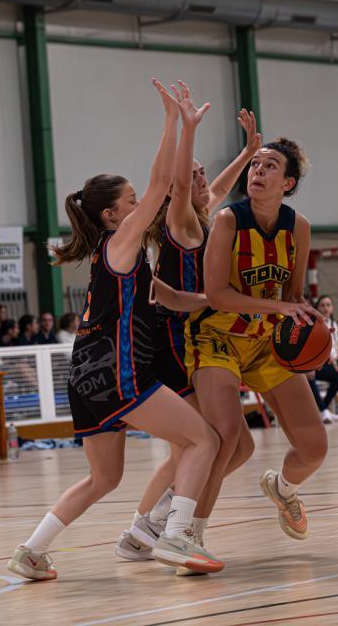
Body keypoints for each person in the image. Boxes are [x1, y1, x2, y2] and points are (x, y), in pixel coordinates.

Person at [9, 79, 224, 581]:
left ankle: (31, 552)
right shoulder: (121, 240)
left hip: (84, 378)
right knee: (205, 440)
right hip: (116, 373)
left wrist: (219, 301)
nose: (139, 204)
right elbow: (161, 183)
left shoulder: (120, 261)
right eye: (130, 201)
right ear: (111, 215)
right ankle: (175, 536)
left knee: (103, 478)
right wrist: (173, 122)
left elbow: (171, 298)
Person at [117, 101, 263, 569]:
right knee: (209, 441)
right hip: (175, 339)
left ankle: (145, 527)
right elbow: (182, 185)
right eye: (195, 173)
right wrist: (188, 129)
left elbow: (212, 189)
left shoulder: (201, 215)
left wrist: (247, 154)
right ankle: (156, 526)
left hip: (194, 336)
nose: (202, 179)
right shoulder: (179, 221)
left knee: (228, 445)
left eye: (203, 173)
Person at [185, 136, 327, 550]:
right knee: (226, 438)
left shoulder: (298, 227)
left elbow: (293, 295)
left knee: (314, 448)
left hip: (266, 341)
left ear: (288, 183)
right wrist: (280, 308)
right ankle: (187, 533)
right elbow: (216, 295)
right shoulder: (228, 220)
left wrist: (310, 323)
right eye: (255, 165)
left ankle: (282, 489)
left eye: (269, 166)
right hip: (216, 336)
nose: (258, 171)